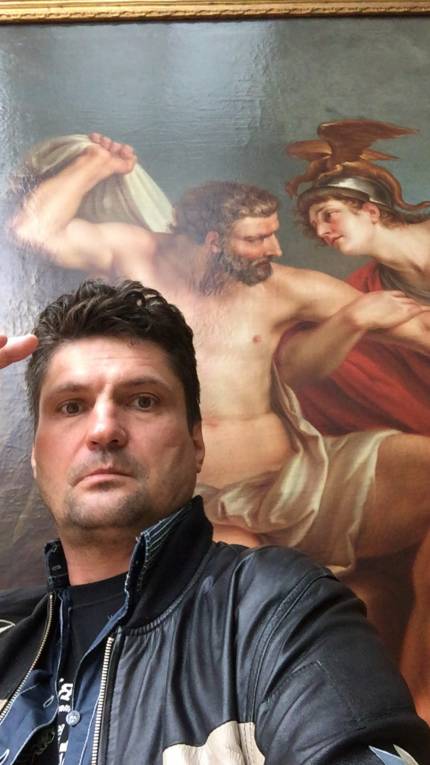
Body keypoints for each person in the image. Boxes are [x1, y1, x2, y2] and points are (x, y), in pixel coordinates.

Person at [0, 278, 429, 765]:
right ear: (35, 455)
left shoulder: (279, 608)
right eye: (71, 406)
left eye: (143, 400)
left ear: (197, 443)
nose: (104, 430)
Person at [8, 133, 430, 573]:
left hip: (299, 485)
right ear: (213, 241)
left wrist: (365, 317)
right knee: (240, 574)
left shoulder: (282, 287)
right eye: (257, 239)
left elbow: (416, 326)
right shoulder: (136, 256)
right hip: (192, 503)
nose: (275, 250)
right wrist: (97, 162)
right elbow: (34, 231)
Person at [283, 119, 430, 436]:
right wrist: (351, 320)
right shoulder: (364, 290)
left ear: (371, 211)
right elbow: (294, 369)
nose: (322, 232)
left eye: (328, 215)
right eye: (315, 226)